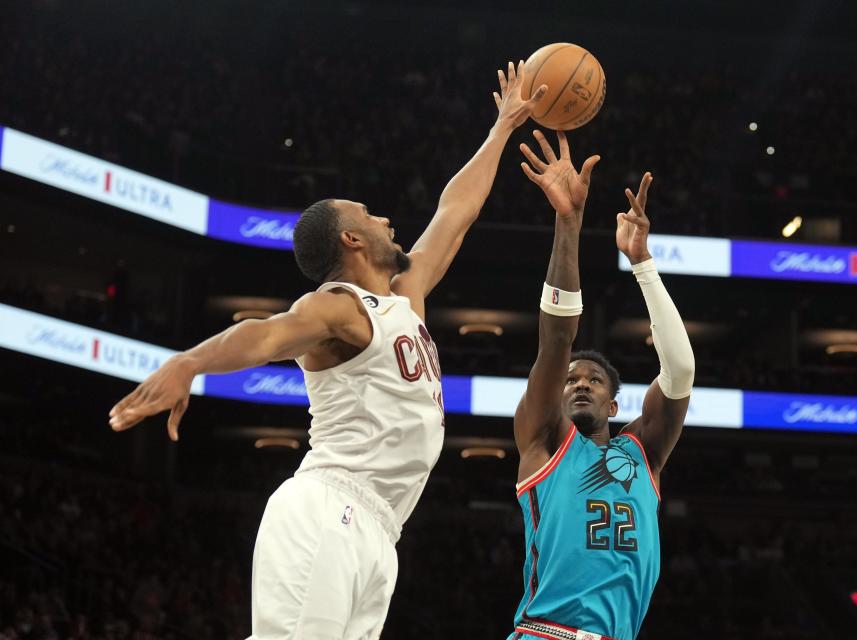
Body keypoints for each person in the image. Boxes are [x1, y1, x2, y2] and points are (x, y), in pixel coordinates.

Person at [107, 61, 547, 640]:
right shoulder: (339, 306)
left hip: (381, 532)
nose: (387, 218)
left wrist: (502, 129)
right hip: (328, 507)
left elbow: (455, 213)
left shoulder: (404, 298)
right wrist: (190, 362)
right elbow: (264, 335)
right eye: (370, 215)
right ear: (351, 239)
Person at [508, 130, 695, 640]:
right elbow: (556, 338)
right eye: (572, 380)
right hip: (546, 634)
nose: (580, 384)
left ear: (614, 404)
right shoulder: (545, 439)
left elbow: (679, 371)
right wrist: (568, 223)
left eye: (593, 379)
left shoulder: (643, 454)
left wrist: (642, 262)